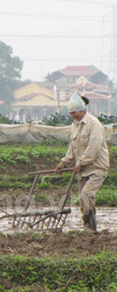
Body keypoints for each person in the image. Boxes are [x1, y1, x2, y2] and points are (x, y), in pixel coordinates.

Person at [55, 92, 109, 232]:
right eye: (71, 113)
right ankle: (89, 226)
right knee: (83, 199)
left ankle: (89, 227)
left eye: (75, 112)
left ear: (82, 109)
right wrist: (63, 163)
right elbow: (72, 149)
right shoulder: (75, 126)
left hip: (97, 167)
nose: (73, 115)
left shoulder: (94, 124)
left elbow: (94, 148)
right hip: (83, 169)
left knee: (86, 194)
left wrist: (80, 163)